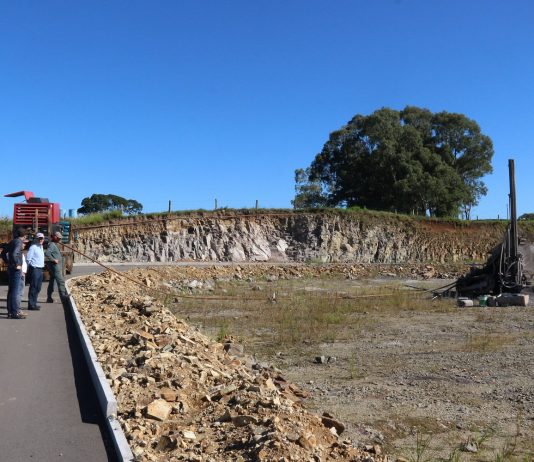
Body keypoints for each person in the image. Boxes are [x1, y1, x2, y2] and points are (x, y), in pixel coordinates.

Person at [6, 228, 27, 319]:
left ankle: (10, 311)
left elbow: (3, 253)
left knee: (11, 290)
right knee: (15, 291)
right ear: (24, 236)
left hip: (11, 268)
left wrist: (8, 262)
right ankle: (15, 312)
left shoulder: (12, 241)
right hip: (15, 269)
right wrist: (17, 264)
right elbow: (15, 253)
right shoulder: (19, 242)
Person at [45, 231, 68, 303]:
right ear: (55, 237)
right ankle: (63, 297)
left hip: (55, 266)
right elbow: (47, 253)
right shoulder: (52, 244)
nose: (59, 239)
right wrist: (53, 260)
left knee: (52, 282)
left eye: (60, 238)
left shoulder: (54, 244)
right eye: (58, 238)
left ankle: (49, 298)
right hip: (55, 267)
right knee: (61, 281)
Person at [26, 232, 46, 310]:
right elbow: (28, 259)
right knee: (33, 287)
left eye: (42, 238)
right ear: (36, 239)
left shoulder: (41, 247)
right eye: (39, 238)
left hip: (40, 269)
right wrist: (30, 269)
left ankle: (34, 303)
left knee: (38, 287)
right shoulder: (33, 247)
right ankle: (31, 305)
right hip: (35, 269)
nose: (41, 240)